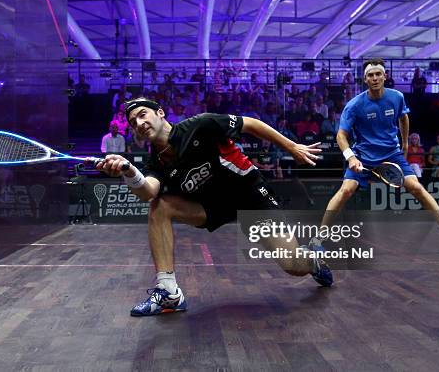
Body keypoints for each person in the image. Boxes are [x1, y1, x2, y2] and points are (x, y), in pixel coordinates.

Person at [97, 97, 332, 317]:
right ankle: (169, 292)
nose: (139, 123)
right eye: (133, 122)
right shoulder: (154, 162)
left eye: (142, 114)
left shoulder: (201, 125)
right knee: (159, 206)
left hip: (249, 197)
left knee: (293, 265)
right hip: (211, 206)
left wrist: (291, 146)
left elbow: (249, 123)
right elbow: (148, 191)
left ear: (160, 113)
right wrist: (128, 172)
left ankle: (313, 260)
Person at [309, 58, 439, 253]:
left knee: (417, 187)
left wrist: (406, 142)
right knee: (345, 191)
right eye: (370, 75)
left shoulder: (397, 97)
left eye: (378, 74)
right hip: (363, 156)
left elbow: (403, 117)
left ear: (385, 76)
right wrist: (351, 157)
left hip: (392, 155)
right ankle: (317, 240)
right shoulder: (354, 105)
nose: (374, 78)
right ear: (365, 79)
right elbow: (341, 135)